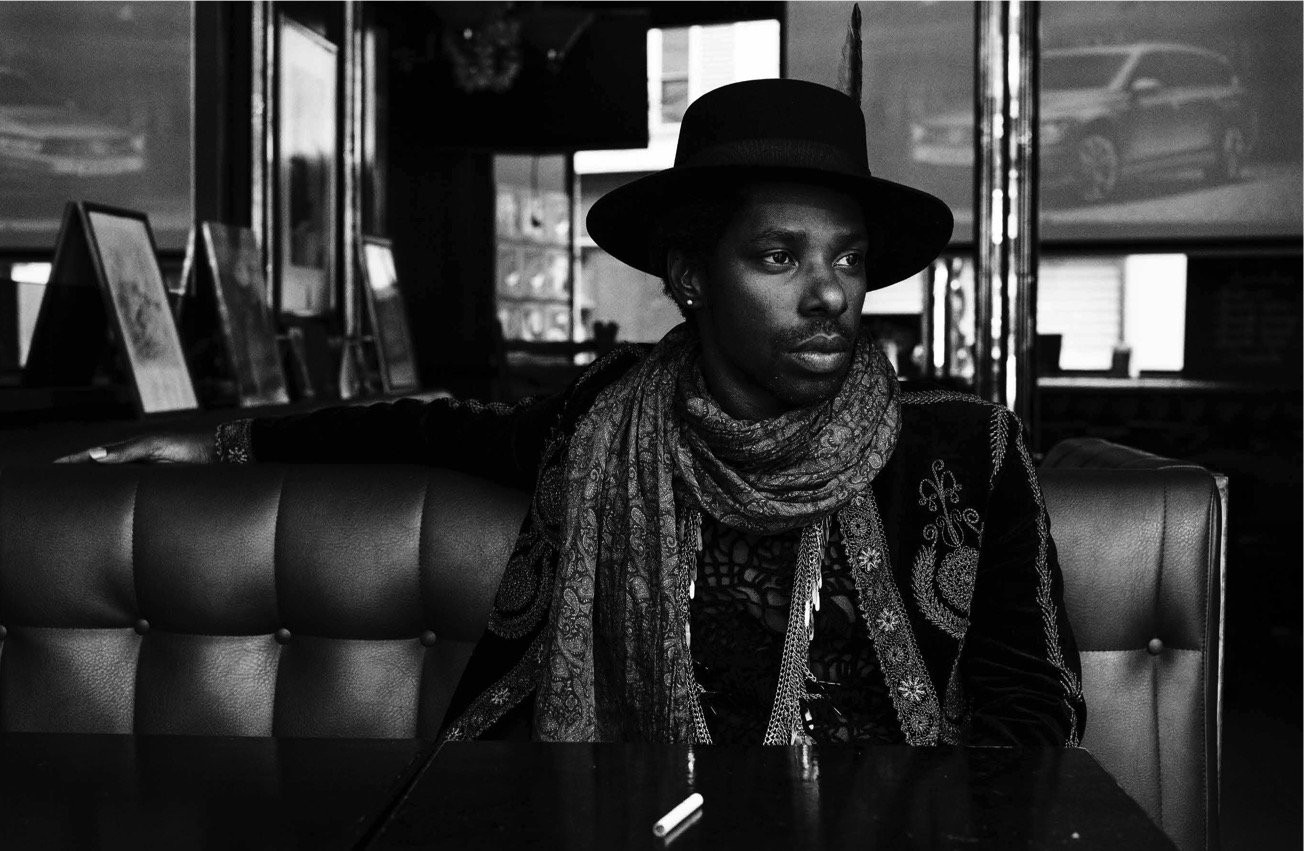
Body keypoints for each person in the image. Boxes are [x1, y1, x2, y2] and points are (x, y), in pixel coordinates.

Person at [58, 79, 1085, 748]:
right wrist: (224, 438)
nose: (829, 294)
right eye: (779, 257)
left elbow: (1033, 700)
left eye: (848, 259)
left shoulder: (965, 447)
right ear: (692, 277)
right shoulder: (610, 416)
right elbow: (433, 426)